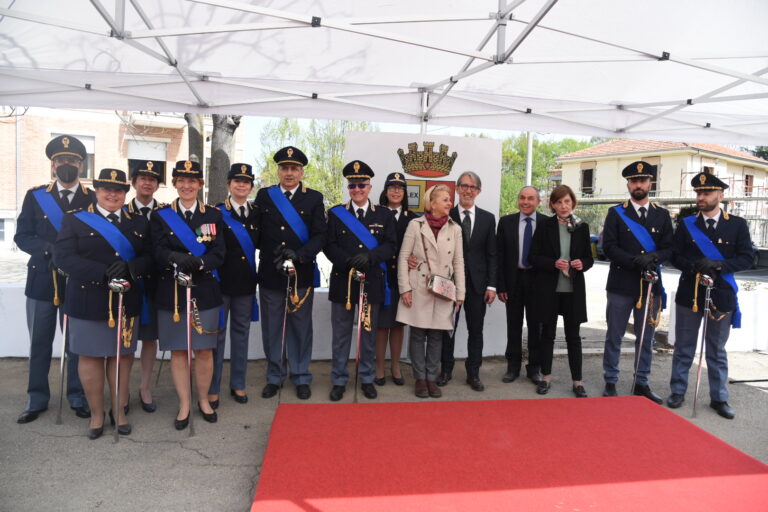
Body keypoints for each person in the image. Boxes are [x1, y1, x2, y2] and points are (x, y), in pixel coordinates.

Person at [54, 168, 153, 439]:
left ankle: (118, 411)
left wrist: (131, 267)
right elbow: (62, 258)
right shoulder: (75, 220)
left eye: (119, 190)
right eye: (106, 188)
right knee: (90, 358)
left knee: (121, 358)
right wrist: (102, 272)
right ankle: (97, 415)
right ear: (96, 190)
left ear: (126, 193)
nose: (112, 194)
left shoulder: (139, 222)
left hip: (126, 300)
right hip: (87, 298)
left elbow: (150, 258)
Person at [14, 135, 93, 424]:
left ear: (81, 165)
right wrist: (48, 248)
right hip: (42, 279)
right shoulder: (36, 197)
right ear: (52, 165)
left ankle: (77, 395)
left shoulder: (92, 199)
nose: (66, 165)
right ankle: (36, 398)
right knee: (40, 342)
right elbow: (21, 235)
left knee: (76, 342)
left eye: (71, 161)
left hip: (76, 282)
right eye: (60, 160)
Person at [667, 172, 753, 419]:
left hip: (721, 294)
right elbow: (674, 255)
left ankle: (719, 398)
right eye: (698, 193)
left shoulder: (737, 224)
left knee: (716, 349)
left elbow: (748, 257)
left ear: (720, 195)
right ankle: (678, 391)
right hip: (690, 293)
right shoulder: (686, 223)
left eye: (706, 193)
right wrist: (694, 266)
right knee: (684, 346)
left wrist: (718, 265)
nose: (701, 197)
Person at [150, 160, 225, 429]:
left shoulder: (213, 215)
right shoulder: (161, 215)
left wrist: (201, 263)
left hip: (204, 290)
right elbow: (156, 251)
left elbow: (219, 252)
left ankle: (203, 400)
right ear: (175, 183)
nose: (186, 185)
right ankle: (184, 404)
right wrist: (175, 257)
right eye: (181, 180)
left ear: (200, 184)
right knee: (179, 352)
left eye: (192, 181)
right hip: (172, 291)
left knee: (204, 351)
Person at [254, 147, 326, 400]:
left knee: (300, 327)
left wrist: (301, 255)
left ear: (301, 171)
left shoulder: (314, 198)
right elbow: (256, 232)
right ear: (279, 171)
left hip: (301, 274)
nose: (289, 173)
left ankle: (300, 375)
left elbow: (320, 235)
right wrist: (275, 252)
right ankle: (274, 377)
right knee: (272, 328)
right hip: (271, 272)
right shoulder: (264, 196)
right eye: (285, 168)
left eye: (294, 168)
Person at [324, 160, 396, 401]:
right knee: (341, 334)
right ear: (348, 187)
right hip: (343, 282)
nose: (357, 189)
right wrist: (348, 262)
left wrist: (369, 257)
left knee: (368, 333)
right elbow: (329, 245)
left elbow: (390, 245)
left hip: (372, 280)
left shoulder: (383, 215)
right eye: (353, 186)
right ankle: (339, 379)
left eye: (361, 185)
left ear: (370, 187)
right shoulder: (336, 214)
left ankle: (366, 377)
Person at [601, 161, 673, 402]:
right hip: (622, 284)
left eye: (642, 180)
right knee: (615, 335)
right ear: (628, 184)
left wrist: (654, 257)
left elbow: (669, 248)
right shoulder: (616, 213)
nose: (638, 184)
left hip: (650, 285)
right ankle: (611, 380)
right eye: (634, 181)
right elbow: (608, 246)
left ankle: (641, 381)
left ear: (650, 183)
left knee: (646, 337)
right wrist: (635, 261)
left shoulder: (661, 215)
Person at [397, 184, 465, 398]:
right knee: (417, 334)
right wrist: (404, 289)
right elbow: (403, 257)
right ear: (432, 203)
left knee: (436, 335)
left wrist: (460, 293)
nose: (449, 203)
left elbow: (459, 262)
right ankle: (419, 378)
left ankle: (431, 377)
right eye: (444, 199)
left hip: (444, 288)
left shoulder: (455, 228)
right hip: (419, 287)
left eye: (449, 199)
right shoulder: (415, 225)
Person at [529, 185, 593, 397]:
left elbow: (589, 258)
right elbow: (533, 257)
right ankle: (545, 378)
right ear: (552, 205)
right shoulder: (545, 226)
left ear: (573, 202)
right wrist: (552, 263)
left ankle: (577, 382)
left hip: (573, 291)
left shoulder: (582, 227)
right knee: (547, 335)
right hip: (550, 289)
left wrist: (582, 263)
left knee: (573, 336)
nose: (563, 206)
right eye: (558, 202)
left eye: (566, 201)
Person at [437, 171, 497, 392]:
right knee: (447, 330)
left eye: (472, 187)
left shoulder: (488, 218)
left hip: (478, 286)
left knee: (476, 330)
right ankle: (445, 370)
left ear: (478, 191)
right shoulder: (446, 214)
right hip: (449, 283)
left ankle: (474, 373)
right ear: (457, 189)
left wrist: (492, 285)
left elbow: (492, 254)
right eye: (464, 186)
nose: (468, 190)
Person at [209, 163, 259, 408]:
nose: (242, 185)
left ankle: (238, 384)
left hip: (246, 285)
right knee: (216, 338)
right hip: (220, 284)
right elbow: (202, 242)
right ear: (228, 185)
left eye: (246, 182)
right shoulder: (215, 213)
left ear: (251, 186)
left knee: (241, 336)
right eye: (237, 181)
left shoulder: (257, 213)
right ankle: (212, 387)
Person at [125, 158, 166, 413]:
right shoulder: (122, 210)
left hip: (154, 287)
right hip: (128, 286)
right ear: (134, 182)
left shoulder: (164, 213)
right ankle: (124, 391)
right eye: (143, 178)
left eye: (153, 179)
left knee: (150, 340)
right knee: (126, 342)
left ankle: (145, 387)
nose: (147, 182)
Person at [496, 186, 548, 385]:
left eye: (531, 198)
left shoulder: (546, 223)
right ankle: (513, 367)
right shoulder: (506, 222)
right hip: (513, 281)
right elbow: (499, 256)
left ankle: (534, 368)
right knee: (513, 326)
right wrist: (501, 286)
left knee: (536, 327)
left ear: (538, 201)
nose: (525, 202)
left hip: (538, 283)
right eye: (522, 198)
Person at [374, 172, 415, 386]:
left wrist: (415, 259)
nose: (396, 191)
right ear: (385, 191)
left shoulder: (414, 218)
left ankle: (396, 366)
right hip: (381, 276)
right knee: (381, 325)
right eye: (392, 187)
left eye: (400, 187)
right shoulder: (376, 214)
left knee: (398, 324)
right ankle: (379, 367)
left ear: (405, 192)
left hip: (404, 279)